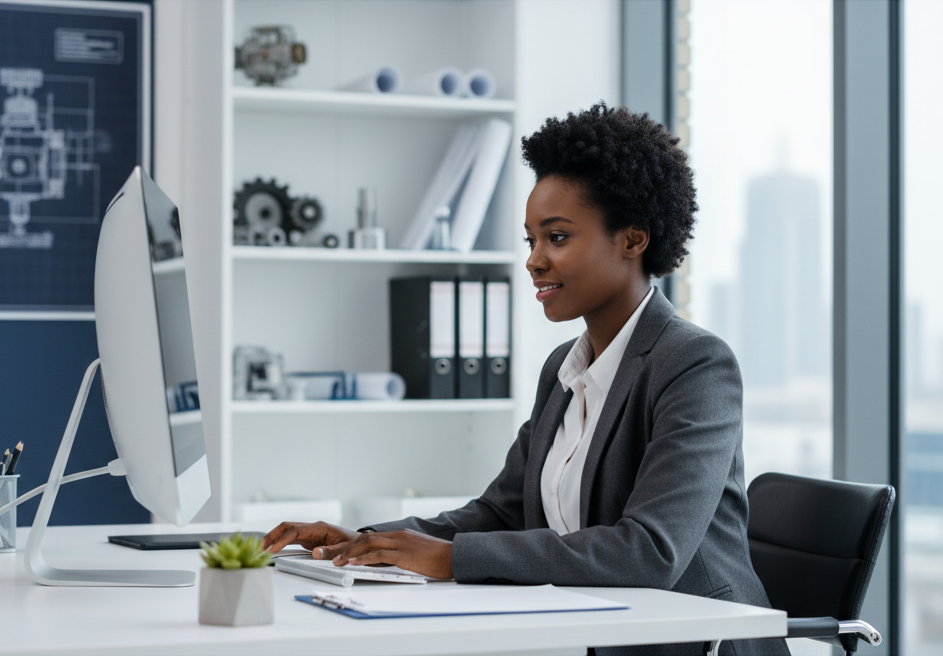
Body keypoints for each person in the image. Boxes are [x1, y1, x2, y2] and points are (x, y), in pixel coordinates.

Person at [263, 103, 788, 656]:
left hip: (693, 643)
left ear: (633, 240)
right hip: (595, 632)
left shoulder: (695, 365)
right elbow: (501, 511)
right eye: (530, 240)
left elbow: (650, 551)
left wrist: (451, 558)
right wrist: (369, 542)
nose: (535, 260)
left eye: (557, 238)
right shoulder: (564, 367)